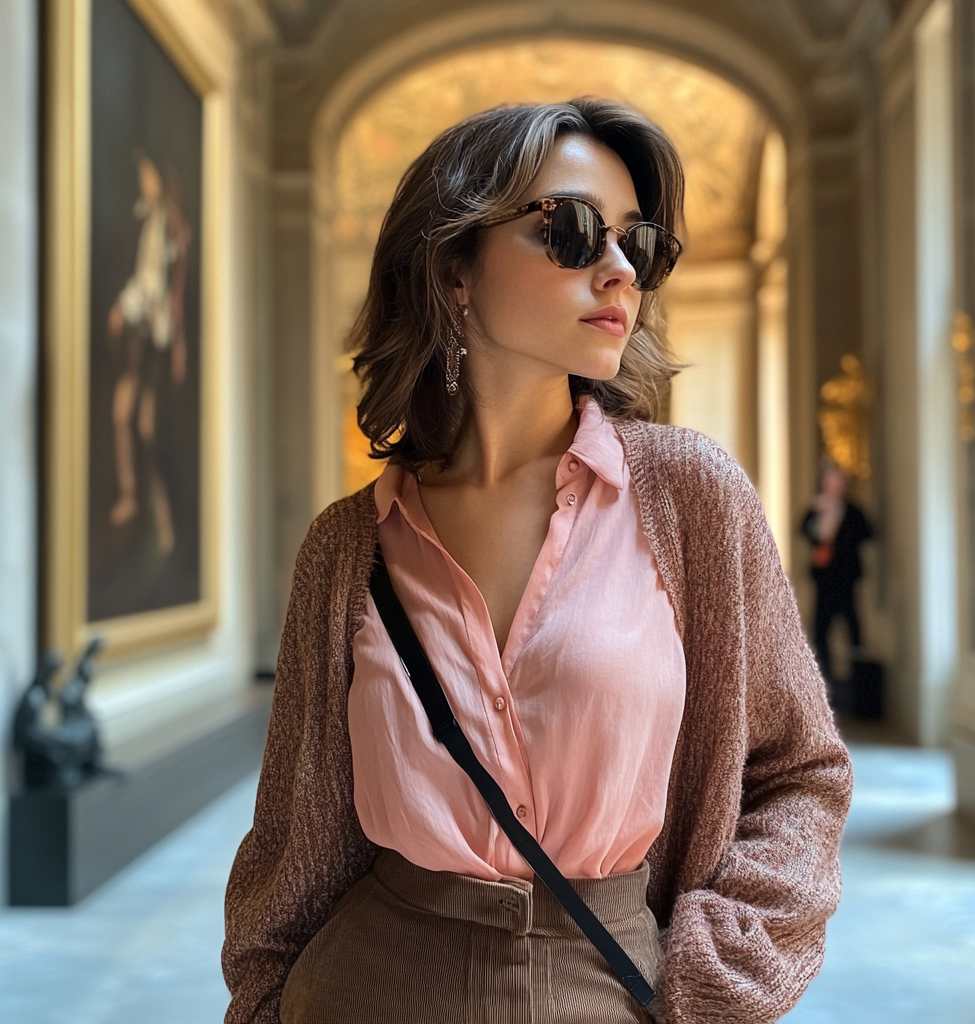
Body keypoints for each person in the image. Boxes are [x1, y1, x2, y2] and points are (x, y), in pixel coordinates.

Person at [223, 99, 852, 1024]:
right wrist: (265, 1005)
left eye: (641, 244)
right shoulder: (348, 545)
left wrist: (720, 984)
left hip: (607, 986)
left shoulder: (686, 497)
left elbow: (800, 772)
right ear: (453, 270)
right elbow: (293, 842)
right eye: (571, 229)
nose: (618, 269)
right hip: (366, 988)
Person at [107, 152, 191, 555]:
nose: (143, 181)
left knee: (147, 427)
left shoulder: (172, 227)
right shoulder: (144, 220)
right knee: (124, 415)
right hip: (140, 337)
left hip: (154, 338)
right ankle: (131, 497)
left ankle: (163, 518)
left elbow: (165, 291)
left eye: (146, 173)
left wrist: (177, 343)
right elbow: (144, 280)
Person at [802, 462, 873, 684]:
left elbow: (867, 533)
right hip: (825, 580)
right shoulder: (816, 510)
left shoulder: (853, 511)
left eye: (837, 482)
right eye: (829, 482)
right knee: (821, 630)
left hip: (847, 577)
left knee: (853, 628)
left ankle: (858, 683)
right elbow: (806, 531)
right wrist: (822, 518)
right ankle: (825, 683)